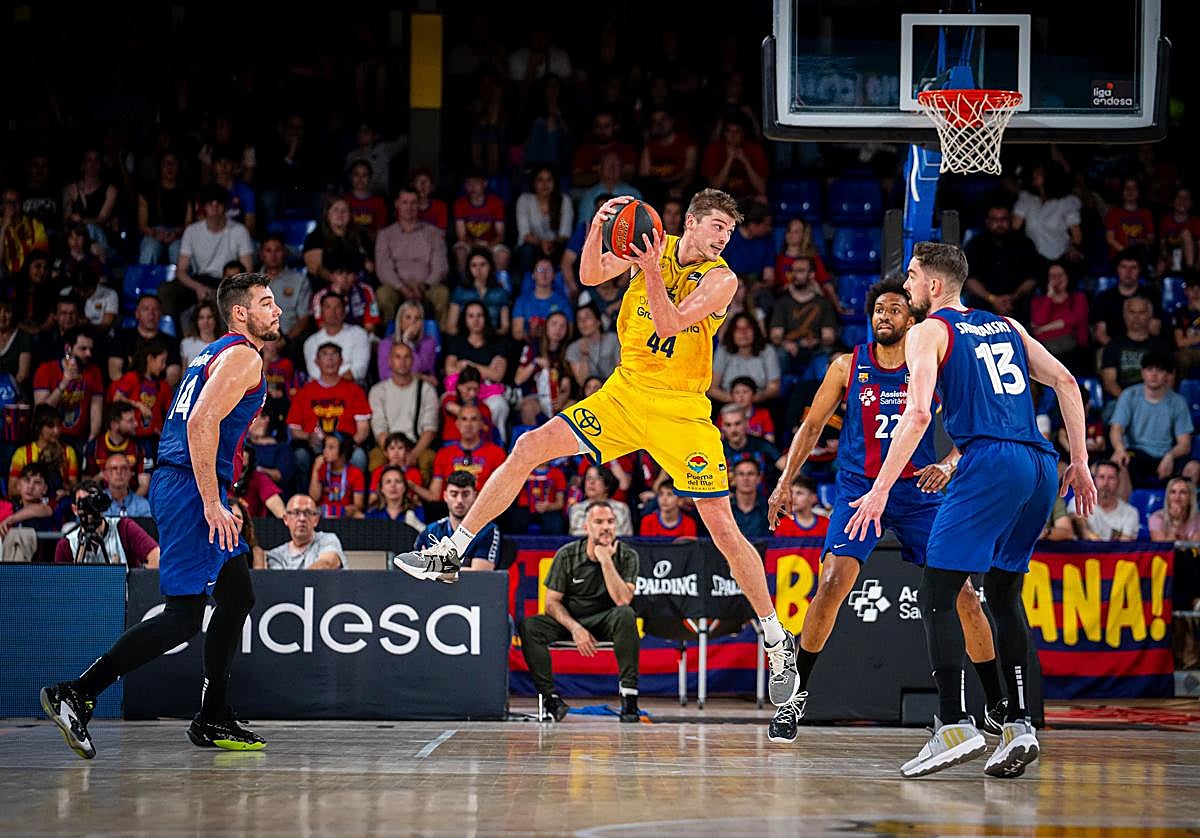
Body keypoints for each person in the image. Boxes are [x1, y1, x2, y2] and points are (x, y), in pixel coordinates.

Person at [392, 190, 805, 708]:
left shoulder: (722, 279)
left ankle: (775, 638)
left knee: (723, 529)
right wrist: (598, 229)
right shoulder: (652, 243)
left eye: (729, 230)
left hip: (681, 411)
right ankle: (453, 549)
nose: (724, 237)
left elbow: (669, 323)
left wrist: (648, 270)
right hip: (625, 395)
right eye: (717, 226)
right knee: (528, 445)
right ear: (692, 222)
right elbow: (589, 276)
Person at [844, 242, 1095, 778]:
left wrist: (881, 488)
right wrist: (1080, 461)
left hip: (989, 462)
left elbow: (917, 416)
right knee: (1002, 594)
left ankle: (954, 725)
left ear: (934, 286)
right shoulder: (1008, 325)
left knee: (937, 593)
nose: (905, 285)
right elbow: (1067, 382)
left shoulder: (928, 331)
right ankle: (1019, 725)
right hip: (1040, 465)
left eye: (911, 276)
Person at [41, 272, 282, 757]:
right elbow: (200, 422)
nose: (277, 310)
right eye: (266, 302)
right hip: (192, 487)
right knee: (183, 617)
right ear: (241, 313)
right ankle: (77, 693)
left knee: (237, 594)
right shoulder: (244, 356)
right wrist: (211, 501)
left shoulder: (212, 353)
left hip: (187, 482)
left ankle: (213, 714)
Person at [764, 276, 1003, 744]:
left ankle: (997, 704)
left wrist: (948, 464)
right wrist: (784, 481)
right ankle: (796, 698)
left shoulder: (931, 366)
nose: (885, 316)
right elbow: (811, 427)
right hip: (860, 489)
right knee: (831, 583)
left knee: (964, 596)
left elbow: (978, 426)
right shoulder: (846, 365)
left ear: (911, 320)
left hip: (916, 493)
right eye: (879, 309)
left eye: (895, 309)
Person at [519, 501, 641, 723]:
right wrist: (575, 628)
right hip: (570, 621)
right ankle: (551, 699)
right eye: (599, 522)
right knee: (530, 626)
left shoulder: (627, 555)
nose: (606, 527)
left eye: (611, 522)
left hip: (606, 621)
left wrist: (605, 560)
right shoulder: (567, 555)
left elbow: (622, 600)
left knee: (626, 614)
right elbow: (551, 603)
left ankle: (629, 697)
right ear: (586, 527)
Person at [159, 184, 254, 322]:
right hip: (199, 281)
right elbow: (181, 271)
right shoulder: (192, 231)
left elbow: (247, 271)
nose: (215, 207)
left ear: (225, 206)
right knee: (166, 291)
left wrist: (223, 289)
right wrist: (198, 288)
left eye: (219, 203)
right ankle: (177, 333)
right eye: (210, 203)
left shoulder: (239, 231)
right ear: (204, 207)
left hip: (227, 281)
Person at [1109, 351, 1193, 489]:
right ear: (1142, 372)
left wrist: (1170, 455)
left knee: (1193, 467)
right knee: (1119, 461)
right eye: (1149, 369)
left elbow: (1184, 444)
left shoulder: (1178, 402)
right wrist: (1120, 450)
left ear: (1167, 375)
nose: (1154, 374)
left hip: (1165, 454)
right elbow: (1116, 429)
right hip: (1136, 453)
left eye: (1159, 370)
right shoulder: (1129, 395)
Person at [374, 185, 451, 323]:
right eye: (405, 202)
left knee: (442, 294)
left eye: (413, 203)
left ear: (419, 205)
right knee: (383, 295)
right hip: (396, 287)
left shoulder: (434, 233)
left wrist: (424, 286)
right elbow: (383, 268)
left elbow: (440, 266)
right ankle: (388, 334)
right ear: (397, 204)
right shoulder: (385, 235)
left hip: (427, 286)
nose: (409, 207)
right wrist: (402, 288)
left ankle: (441, 335)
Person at [32, 325, 104, 451]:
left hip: (80, 440)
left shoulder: (95, 372)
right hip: (50, 439)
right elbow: (40, 413)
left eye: (90, 349)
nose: (89, 354)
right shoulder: (46, 369)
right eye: (83, 349)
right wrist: (63, 383)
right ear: (68, 349)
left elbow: (96, 409)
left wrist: (92, 439)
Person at [55, 479, 159, 566]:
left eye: (94, 502)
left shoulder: (124, 528)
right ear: (75, 509)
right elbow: (60, 582)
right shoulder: (66, 545)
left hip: (122, 585)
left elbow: (156, 555)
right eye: (85, 503)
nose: (90, 509)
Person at [415, 471, 501, 571]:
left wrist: (435, 567)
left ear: (475, 496)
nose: (459, 500)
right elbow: (417, 568)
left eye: (465, 494)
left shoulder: (488, 530)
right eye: (454, 494)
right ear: (445, 496)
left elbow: (480, 573)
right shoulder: (431, 531)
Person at [108, 294, 184, 388]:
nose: (151, 314)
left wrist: (153, 392)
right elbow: (114, 371)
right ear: (137, 313)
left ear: (160, 314)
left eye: (155, 309)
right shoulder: (121, 337)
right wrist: (130, 391)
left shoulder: (171, 342)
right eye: (146, 309)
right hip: (126, 392)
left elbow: (173, 375)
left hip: (158, 393)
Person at [265, 494, 346, 570]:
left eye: (308, 513)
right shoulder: (276, 556)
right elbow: (278, 579)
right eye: (296, 513)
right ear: (286, 519)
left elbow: (327, 564)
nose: (302, 518)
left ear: (316, 520)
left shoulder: (328, 539)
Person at [309, 431, 365, 519]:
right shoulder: (320, 467)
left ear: (343, 451)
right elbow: (314, 497)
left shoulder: (356, 473)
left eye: (331, 447)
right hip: (322, 513)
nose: (325, 451)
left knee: (359, 516)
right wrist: (315, 470)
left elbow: (358, 505)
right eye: (325, 447)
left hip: (344, 513)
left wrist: (340, 511)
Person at [567, 464, 633, 536]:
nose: (591, 482)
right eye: (588, 478)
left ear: (607, 485)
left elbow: (627, 539)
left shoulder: (621, 508)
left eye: (598, 478)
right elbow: (575, 537)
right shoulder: (576, 509)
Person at [1085, 460, 1139, 541]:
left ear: (1118, 481)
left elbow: (1124, 544)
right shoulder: (1081, 504)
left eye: (1111, 478)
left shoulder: (1130, 513)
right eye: (1101, 477)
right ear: (1094, 480)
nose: (1106, 483)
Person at [1148, 477, 1200, 541]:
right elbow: (1163, 546)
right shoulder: (1157, 518)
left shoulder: (1198, 520)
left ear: (1190, 497)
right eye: (1173, 492)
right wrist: (1176, 522)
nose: (1177, 497)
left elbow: (1195, 545)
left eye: (1183, 492)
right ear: (1168, 496)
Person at [100, 453, 152, 517]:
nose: (119, 472)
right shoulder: (96, 503)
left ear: (130, 473)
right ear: (105, 475)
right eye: (114, 468)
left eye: (123, 468)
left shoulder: (143, 505)